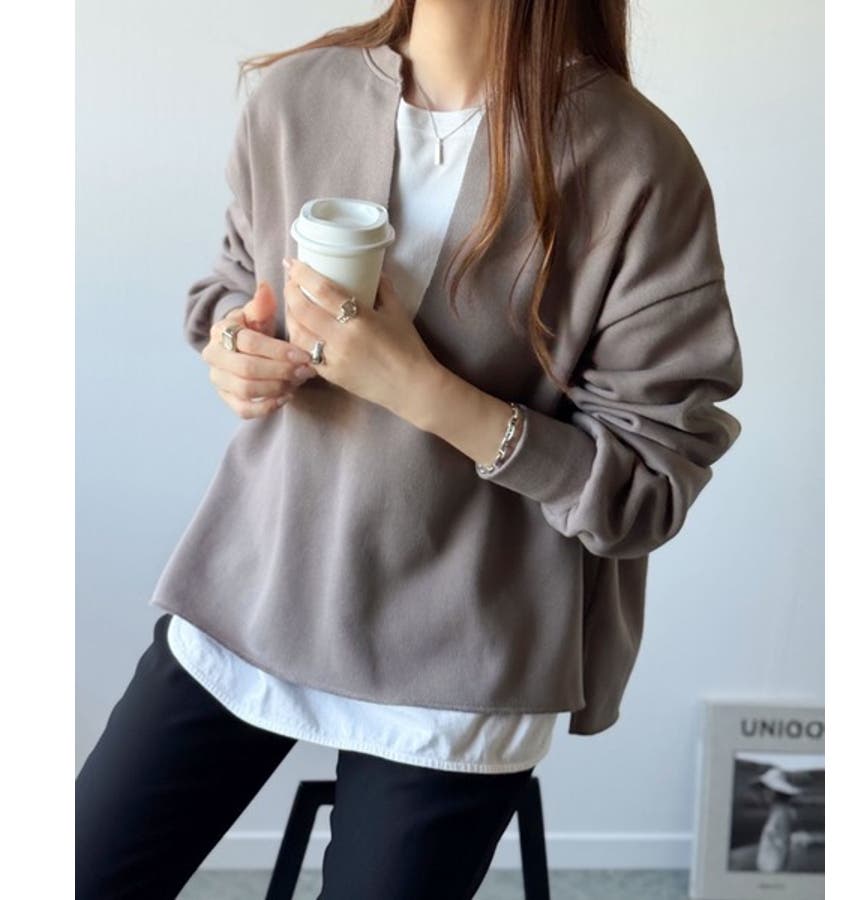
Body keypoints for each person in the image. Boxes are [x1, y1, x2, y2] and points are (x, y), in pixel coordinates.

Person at [76, 1, 744, 897]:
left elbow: (646, 485)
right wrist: (235, 346)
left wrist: (420, 388)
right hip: (258, 586)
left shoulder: (635, 162)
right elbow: (234, 283)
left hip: (461, 652)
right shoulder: (293, 96)